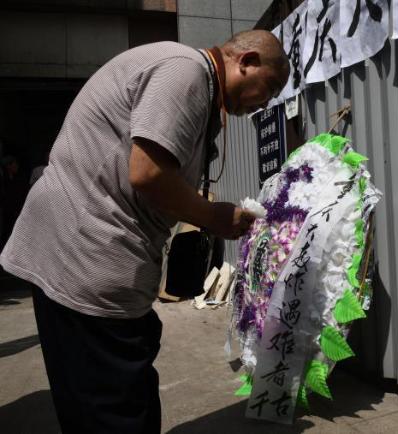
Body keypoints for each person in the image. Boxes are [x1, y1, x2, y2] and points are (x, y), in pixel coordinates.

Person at [0, 30, 289, 434]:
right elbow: (149, 174)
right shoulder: (185, 72)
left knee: (98, 401)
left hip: (84, 260)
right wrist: (213, 216)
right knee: (114, 410)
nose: (267, 102)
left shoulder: (194, 84)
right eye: (270, 87)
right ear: (247, 61)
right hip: (84, 261)